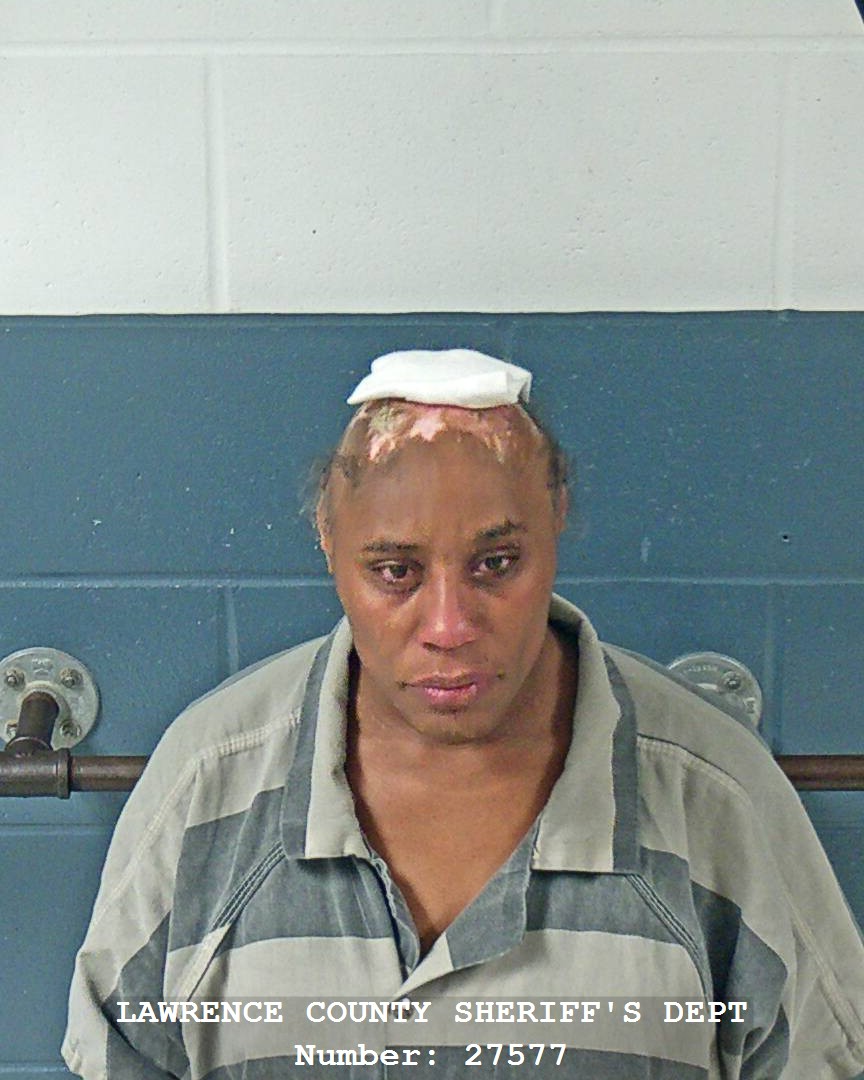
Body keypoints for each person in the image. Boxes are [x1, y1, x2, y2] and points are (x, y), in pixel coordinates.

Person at [63, 350, 864, 1078]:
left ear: (557, 522)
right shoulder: (208, 782)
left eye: (496, 563)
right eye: (395, 571)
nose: (449, 626)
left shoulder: (717, 795)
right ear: (329, 542)